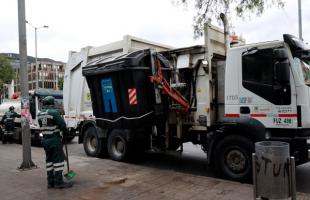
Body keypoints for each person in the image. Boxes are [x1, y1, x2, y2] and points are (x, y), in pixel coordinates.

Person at [37, 96, 73, 189]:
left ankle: (50, 182)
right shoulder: (54, 112)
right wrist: (66, 133)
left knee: (49, 161)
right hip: (54, 140)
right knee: (58, 162)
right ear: (51, 103)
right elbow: (62, 125)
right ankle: (58, 182)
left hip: (45, 140)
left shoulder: (39, 114)